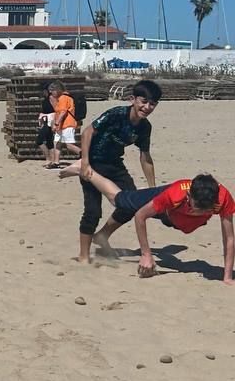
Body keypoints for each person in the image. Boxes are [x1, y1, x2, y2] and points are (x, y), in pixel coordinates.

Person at [61, 167, 234, 283]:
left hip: (175, 219)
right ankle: (85, 170)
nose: (199, 213)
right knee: (117, 199)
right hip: (165, 206)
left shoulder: (223, 199)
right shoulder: (174, 195)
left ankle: (102, 236)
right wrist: (146, 255)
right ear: (189, 196)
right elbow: (140, 217)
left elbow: (229, 238)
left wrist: (227, 276)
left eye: (205, 211)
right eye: (196, 209)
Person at [75, 79, 161, 263]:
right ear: (133, 99)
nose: (147, 107)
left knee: (132, 204)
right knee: (93, 211)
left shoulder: (145, 127)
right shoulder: (116, 114)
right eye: (143, 101)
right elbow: (87, 132)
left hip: (114, 165)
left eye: (152, 104)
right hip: (93, 162)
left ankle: (103, 235)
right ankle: (84, 256)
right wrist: (85, 163)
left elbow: (145, 157)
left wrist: (153, 189)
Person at [45, 80, 79, 168]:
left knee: (69, 145)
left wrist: (56, 123)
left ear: (57, 90)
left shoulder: (64, 98)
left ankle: (85, 156)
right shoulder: (61, 99)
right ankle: (56, 162)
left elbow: (63, 112)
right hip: (61, 125)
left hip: (67, 124)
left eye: (52, 91)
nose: (51, 93)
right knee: (57, 143)